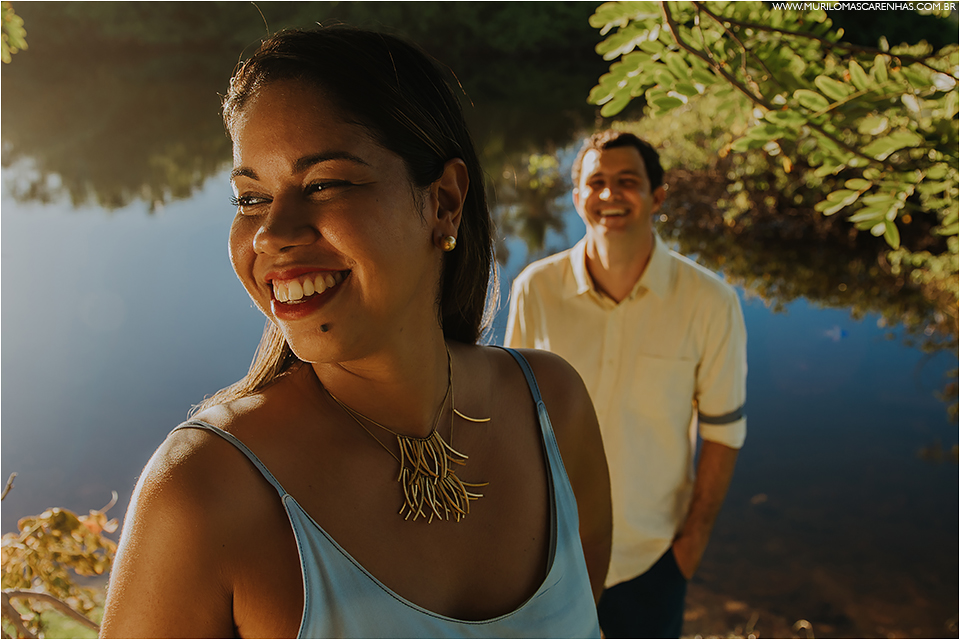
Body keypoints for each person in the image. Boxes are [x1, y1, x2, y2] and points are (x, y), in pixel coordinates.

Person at [100, 27, 612, 639]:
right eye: (250, 199)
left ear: (445, 202)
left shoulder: (553, 406)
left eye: (325, 184)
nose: (271, 234)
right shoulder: (201, 493)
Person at [505, 130, 747, 638]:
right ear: (578, 198)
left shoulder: (710, 301)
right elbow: (512, 418)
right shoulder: (535, 289)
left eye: (627, 181)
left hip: (651, 558)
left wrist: (691, 544)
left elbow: (724, 431)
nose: (609, 194)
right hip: (550, 552)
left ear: (657, 197)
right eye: (596, 182)